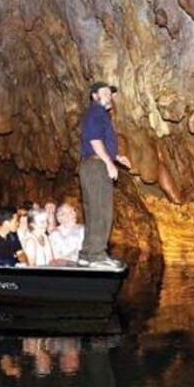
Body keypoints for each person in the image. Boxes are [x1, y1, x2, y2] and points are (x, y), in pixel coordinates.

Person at [78, 81, 131, 267]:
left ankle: (86, 254)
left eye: (111, 93)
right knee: (102, 210)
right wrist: (109, 163)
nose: (109, 96)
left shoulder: (97, 114)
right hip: (96, 167)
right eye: (105, 92)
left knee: (92, 210)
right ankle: (97, 255)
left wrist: (116, 157)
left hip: (91, 166)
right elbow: (94, 140)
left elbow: (98, 141)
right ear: (95, 95)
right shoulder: (97, 112)